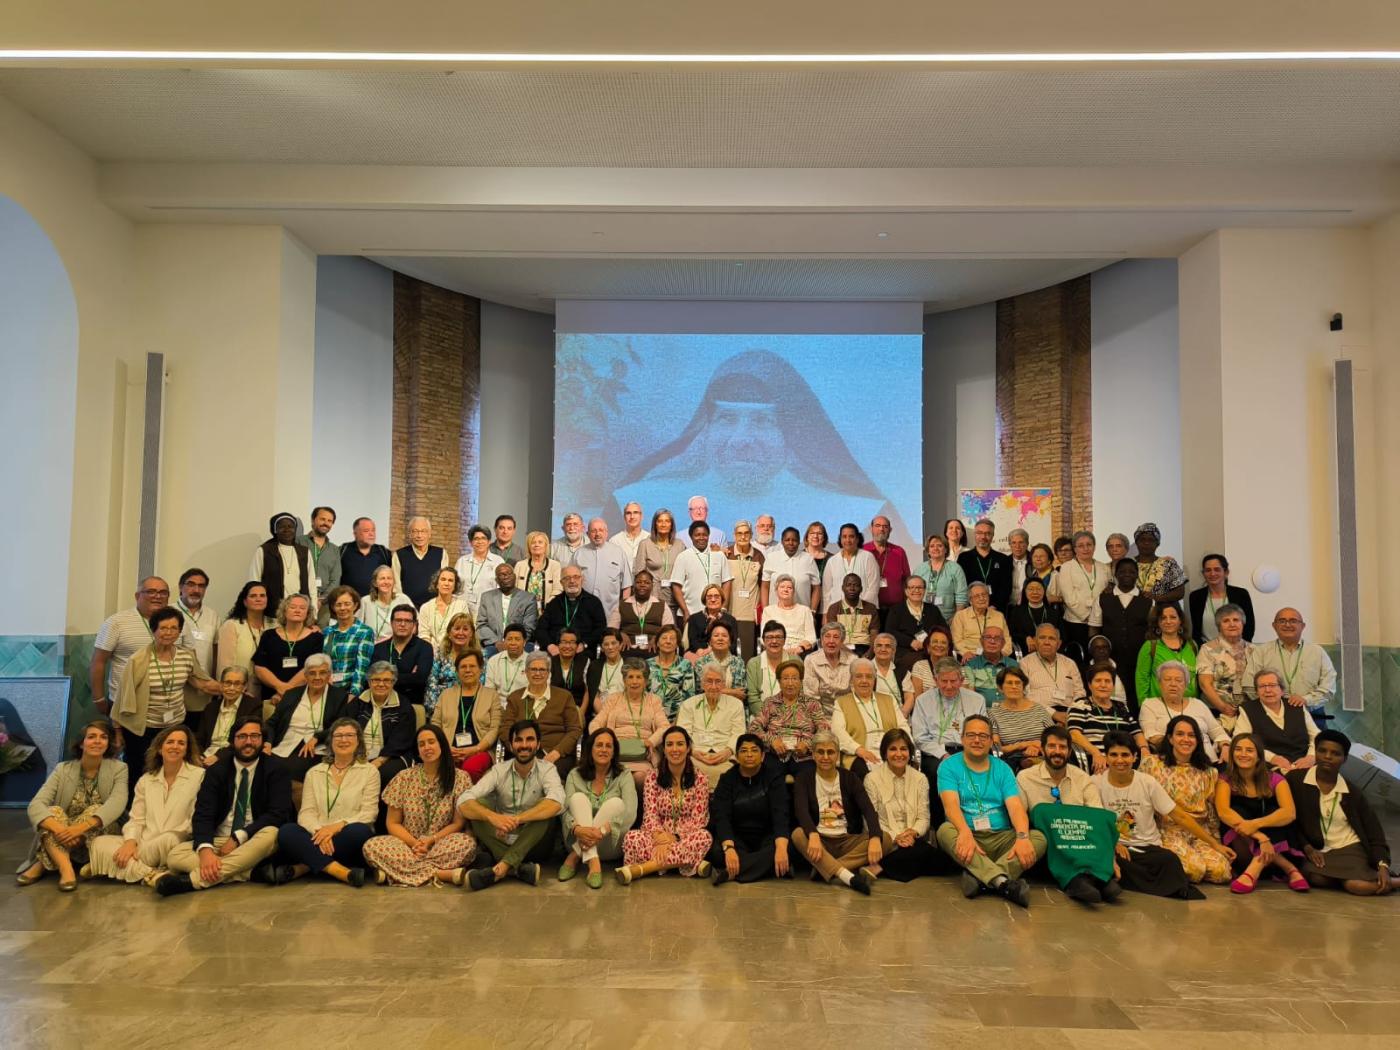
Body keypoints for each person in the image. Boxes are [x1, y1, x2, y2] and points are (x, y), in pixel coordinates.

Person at [156, 717, 295, 895]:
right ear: (232, 741)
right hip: (221, 838)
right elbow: (203, 813)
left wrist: (239, 837)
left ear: (262, 739)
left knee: (272, 833)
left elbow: (279, 813)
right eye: (242, 736)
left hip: (255, 837)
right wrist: (206, 851)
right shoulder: (217, 770)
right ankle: (249, 871)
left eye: (255, 736)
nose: (249, 742)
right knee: (175, 855)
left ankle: (192, 881)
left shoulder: (277, 768)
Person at [935, 715, 1046, 906]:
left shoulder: (1002, 769)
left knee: (1037, 838)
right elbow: (950, 806)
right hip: (969, 836)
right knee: (944, 831)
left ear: (990, 740)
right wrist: (964, 831)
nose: (977, 740)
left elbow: (1016, 807)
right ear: (962, 738)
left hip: (1002, 837)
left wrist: (1022, 837)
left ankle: (981, 877)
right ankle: (1003, 882)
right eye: (971, 735)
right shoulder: (949, 766)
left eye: (983, 736)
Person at [16, 721, 129, 892]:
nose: (98, 741)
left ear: (108, 743)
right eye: (91, 737)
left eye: (103, 737)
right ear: (81, 743)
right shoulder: (63, 769)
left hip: (100, 832)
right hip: (66, 833)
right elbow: (36, 804)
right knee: (53, 811)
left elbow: (117, 803)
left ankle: (43, 863)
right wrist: (62, 830)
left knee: (96, 808)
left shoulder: (119, 768)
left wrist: (80, 828)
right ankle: (66, 868)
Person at [112, 606, 220, 783]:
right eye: (163, 628)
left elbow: (200, 682)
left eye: (173, 628)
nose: (168, 633)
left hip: (174, 725)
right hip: (144, 728)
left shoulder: (185, 657)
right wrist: (117, 731)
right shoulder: (138, 660)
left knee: (171, 770)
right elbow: (121, 698)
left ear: (179, 631)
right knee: (141, 772)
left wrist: (229, 687)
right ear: (153, 630)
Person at [1093, 731, 1207, 899]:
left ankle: (1120, 879)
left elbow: (1178, 815)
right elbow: (1094, 822)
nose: (1119, 760)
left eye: (1125, 755)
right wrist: (1113, 844)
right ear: (1107, 757)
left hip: (1147, 847)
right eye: (1114, 755)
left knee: (1170, 860)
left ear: (1134, 757)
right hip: (1114, 847)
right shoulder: (1095, 783)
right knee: (1105, 859)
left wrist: (1214, 844)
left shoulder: (1147, 782)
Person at [85, 724, 203, 885]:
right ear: (160, 749)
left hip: (175, 842)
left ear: (187, 750)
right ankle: (151, 874)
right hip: (144, 842)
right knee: (99, 842)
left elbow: (195, 820)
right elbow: (136, 819)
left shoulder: (199, 776)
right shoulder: (146, 780)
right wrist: (130, 842)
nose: (175, 746)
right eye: (170, 742)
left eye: (181, 743)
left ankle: (109, 865)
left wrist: (140, 847)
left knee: (169, 839)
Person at [363, 725, 476, 887]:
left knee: (467, 844)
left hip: (441, 844)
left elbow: (458, 823)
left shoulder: (460, 778)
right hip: (407, 845)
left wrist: (431, 840)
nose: (427, 747)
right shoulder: (404, 777)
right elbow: (392, 823)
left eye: (431, 742)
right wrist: (415, 844)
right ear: (417, 749)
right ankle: (440, 874)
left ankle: (394, 874)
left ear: (442, 745)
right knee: (371, 846)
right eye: (421, 744)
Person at [1018, 725, 1119, 905]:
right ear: (1042, 749)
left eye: (1063, 747)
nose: (1057, 752)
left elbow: (1098, 818)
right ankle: (1075, 881)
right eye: (1052, 746)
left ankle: (1100, 877)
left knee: (1101, 819)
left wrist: (1112, 860)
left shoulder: (1082, 777)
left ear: (1069, 751)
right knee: (1043, 812)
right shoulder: (1025, 777)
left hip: (1081, 838)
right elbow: (1019, 814)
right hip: (1050, 840)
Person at [1287, 730, 1397, 896]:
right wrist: (1307, 847)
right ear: (1315, 752)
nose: (1327, 756)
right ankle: (1355, 879)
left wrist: (1382, 865)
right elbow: (1290, 821)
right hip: (1316, 850)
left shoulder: (1352, 792)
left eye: (1335, 753)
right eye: (1322, 751)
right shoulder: (1295, 780)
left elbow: (1374, 831)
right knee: (1316, 879)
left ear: (1344, 759)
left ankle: (1392, 881)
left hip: (1349, 848)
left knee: (1357, 886)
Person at [459, 720, 566, 889]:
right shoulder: (499, 770)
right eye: (519, 740)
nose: (524, 745)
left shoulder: (547, 770)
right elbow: (463, 802)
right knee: (477, 806)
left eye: (529, 739)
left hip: (534, 843)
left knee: (545, 808)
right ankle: (515, 868)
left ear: (538, 744)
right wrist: (494, 818)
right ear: (511, 745)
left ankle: (503, 865)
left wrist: (516, 820)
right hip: (500, 837)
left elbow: (557, 801)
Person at [272, 718, 378, 887]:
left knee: (360, 832)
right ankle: (341, 872)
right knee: (287, 831)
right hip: (317, 835)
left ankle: (304, 867)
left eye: (350, 735)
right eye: (338, 736)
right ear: (330, 741)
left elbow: (369, 814)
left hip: (347, 837)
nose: (344, 740)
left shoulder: (370, 771)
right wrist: (320, 832)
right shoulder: (314, 772)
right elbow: (306, 812)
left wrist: (335, 827)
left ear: (358, 741)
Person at [1140, 716, 1236, 883]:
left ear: (1198, 740)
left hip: (1200, 834)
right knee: (1195, 870)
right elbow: (1141, 802)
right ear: (1170, 738)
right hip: (1168, 831)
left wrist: (1215, 843)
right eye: (1180, 734)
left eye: (1191, 735)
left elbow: (1212, 814)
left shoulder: (1209, 772)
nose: (1186, 739)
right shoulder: (1151, 764)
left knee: (1221, 872)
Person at [618, 726, 714, 884]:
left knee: (704, 837)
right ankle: (688, 862)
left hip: (685, 837)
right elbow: (650, 814)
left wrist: (674, 838)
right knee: (632, 838)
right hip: (656, 836)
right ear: (663, 748)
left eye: (680, 744)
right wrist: (659, 837)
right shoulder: (652, 776)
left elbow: (699, 819)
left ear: (688, 748)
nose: (675, 749)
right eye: (670, 744)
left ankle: (644, 868)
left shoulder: (700, 778)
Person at [1215, 733, 1308, 893]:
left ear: (1259, 756)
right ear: (1232, 754)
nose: (1243, 754)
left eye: (1249, 750)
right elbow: (1224, 812)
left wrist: (1256, 824)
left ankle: (1253, 872)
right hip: (1242, 848)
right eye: (1238, 749)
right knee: (1238, 811)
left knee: (1275, 814)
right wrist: (1261, 838)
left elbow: (1289, 813)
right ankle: (1289, 868)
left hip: (1275, 843)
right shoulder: (1225, 780)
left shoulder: (1275, 779)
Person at [790, 731, 879, 894]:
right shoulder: (804, 778)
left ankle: (824, 869)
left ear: (837, 754)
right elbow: (801, 811)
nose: (825, 757)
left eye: (830, 752)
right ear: (813, 755)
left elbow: (868, 809)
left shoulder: (849, 777)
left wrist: (874, 836)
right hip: (819, 841)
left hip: (846, 841)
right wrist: (813, 834)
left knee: (884, 839)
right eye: (820, 752)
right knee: (797, 834)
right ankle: (848, 877)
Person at [909, 657, 986, 826]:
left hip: (969, 750)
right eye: (944, 681)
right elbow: (920, 737)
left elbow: (982, 731)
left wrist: (970, 750)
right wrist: (942, 754)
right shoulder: (923, 700)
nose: (949, 686)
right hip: (936, 752)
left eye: (953, 681)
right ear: (936, 680)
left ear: (962, 680)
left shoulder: (976, 700)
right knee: (939, 772)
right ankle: (939, 826)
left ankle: (976, 822)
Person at [560, 728, 639, 889]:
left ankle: (575, 855)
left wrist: (601, 831)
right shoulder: (575, 774)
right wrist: (577, 830)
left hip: (611, 844)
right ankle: (593, 862)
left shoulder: (623, 774)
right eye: (599, 745)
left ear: (614, 751)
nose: (604, 749)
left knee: (616, 803)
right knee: (577, 798)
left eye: (608, 746)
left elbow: (630, 812)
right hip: (577, 837)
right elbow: (564, 810)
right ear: (590, 749)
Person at [708, 733, 792, 885]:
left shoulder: (774, 777)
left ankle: (731, 872)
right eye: (744, 751)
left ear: (762, 756)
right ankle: (772, 868)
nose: (749, 755)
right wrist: (729, 849)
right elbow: (722, 816)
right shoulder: (727, 779)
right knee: (717, 852)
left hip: (766, 837)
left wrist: (780, 848)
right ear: (737, 756)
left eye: (754, 750)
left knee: (787, 848)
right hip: (737, 837)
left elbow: (781, 814)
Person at [861, 728, 941, 882]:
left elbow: (924, 817)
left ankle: (880, 867)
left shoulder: (920, 779)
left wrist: (912, 833)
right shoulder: (871, 779)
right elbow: (870, 819)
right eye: (893, 749)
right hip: (886, 840)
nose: (899, 754)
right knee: (928, 856)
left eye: (903, 749)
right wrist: (896, 837)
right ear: (885, 753)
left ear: (910, 752)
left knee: (941, 860)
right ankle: (901, 863)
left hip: (913, 840)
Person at [90, 576, 169, 718]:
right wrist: (98, 698)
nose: (157, 596)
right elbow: (99, 661)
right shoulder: (117, 622)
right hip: (126, 702)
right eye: (151, 591)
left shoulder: (177, 622)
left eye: (163, 592)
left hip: (165, 704)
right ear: (137, 596)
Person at [264, 653, 349, 781]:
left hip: (316, 749)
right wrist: (268, 743)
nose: (317, 677)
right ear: (305, 676)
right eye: (312, 673)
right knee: (264, 766)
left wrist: (317, 737)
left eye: (322, 673)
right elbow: (272, 722)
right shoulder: (291, 694)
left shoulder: (339, 696)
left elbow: (340, 725)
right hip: (284, 745)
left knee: (288, 770)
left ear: (329, 675)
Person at [1243, 608, 1338, 719]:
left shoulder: (1317, 652)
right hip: (1270, 716)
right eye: (1282, 621)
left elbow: (1328, 687)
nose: (1287, 625)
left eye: (1293, 621)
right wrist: (1271, 703)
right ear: (1274, 626)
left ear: (1303, 626)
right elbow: (1248, 686)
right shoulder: (1261, 652)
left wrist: (1306, 700)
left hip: (1312, 714)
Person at [590, 658, 669, 787]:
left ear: (646, 681)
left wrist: (651, 741)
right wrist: (606, 740)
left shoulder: (654, 701)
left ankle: (638, 807)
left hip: (643, 753)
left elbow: (665, 726)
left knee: (640, 777)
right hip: (615, 752)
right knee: (616, 777)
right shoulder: (613, 699)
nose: (634, 681)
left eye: (639, 677)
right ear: (624, 680)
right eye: (630, 677)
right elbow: (595, 724)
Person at [504, 652, 583, 779]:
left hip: (557, 755)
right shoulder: (515, 697)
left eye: (542, 669)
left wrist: (557, 752)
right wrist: (518, 749)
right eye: (533, 669)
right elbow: (505, 728)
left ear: (548, 673)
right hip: (521, 752)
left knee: (550, 774)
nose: (538, 673)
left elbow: (574, 730)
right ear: (526, 672)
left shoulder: (564, 696)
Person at [831, 658, 911, 777]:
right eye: (859, 676)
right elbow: (837, 732)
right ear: (852, 680)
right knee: (865, 773)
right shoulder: (842, 702)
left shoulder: (889, 700)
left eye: (869, 676)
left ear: (874, 680)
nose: (864, 681)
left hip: (891, 749)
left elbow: (902, 726)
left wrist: (903, 747)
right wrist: (859, 750)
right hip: (859, 752)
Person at [347, 661, 418, 792]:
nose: (381, 684)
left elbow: (402, 740)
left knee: (384, 774)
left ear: (393, 682)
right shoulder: (358, 703)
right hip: (357, 754)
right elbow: (345, 729)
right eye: (376, 680)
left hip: (391, 756)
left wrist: (379, 761)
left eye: (387, 680)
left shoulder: (403, 706)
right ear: (369, 682)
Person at [1139, 661, 1230, 764]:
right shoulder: (1150, 705)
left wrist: (1225, 747)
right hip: (1171, 764)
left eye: (1179, 680)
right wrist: (1185, 748)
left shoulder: (1198, 704)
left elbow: (1218, 733)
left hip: (1208, 763)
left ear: (1186, 685)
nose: (1173, 684)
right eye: (1167, 679)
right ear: (1159, 683)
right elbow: (1151, 735)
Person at [429, 651, 499, 782]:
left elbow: (494, 729)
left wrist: (476, 749)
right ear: (457, 671)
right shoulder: (446, 695)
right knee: (441, 767)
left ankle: (464, 802)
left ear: (480, 669)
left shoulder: (492, 695)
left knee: (470, 769)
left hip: (480, 750)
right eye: (463, 667)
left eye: (472, 666)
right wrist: (445, 747)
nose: (468, 670)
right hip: (448, 749)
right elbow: (435, 725)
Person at [1067, 664, 1149, 773]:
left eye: (1107, 681)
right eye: (1098, 681)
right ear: (1089, 685)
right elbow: (1074, 734)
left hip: (1126, 760)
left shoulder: (1121, 707)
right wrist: (1096, 753)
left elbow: (1137, 733)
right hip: (1097, 761)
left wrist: (1144, 748)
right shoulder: (1080, 705)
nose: (1103, 685)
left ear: (1113, 685)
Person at [1234, 669, 1320, 772]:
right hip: (1268, 766)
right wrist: (1272, 758)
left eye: (1272, 685)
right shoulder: (1248, 709)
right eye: (1262, 686)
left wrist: (1311, 756)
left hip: (1303, 762)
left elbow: (1316, 736)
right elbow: (1240, 741)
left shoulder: (1296, 706)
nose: (1268, 690)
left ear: (1282, 689)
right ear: (1257, 691)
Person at [677, 666, 748, 786]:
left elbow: (738, 733)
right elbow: (683, 734)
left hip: (725, 754)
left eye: (718, 681)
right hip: (696, 754)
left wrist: (728, 751)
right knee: (690, 771)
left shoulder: (736, 705)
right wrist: (693, 751)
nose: (714, 686)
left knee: (730, 773)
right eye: (709, 681)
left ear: (724, 684)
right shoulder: (689, 704)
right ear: (702, 684)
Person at [748, 658, 827, 766]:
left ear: (801, 681)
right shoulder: (770, 703)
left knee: (806, 777)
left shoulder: (812, 704)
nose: (790, 683)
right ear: (779, 682)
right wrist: (771, 741)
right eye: (785, 678)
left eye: (794, 678)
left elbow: (824, 730)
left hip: (804, 756)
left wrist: (808, 744)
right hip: (774, 754)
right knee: (770, 775)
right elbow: (754, 727)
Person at [1099, 557, 1154, 707]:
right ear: (1115, 575)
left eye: (1131, 571)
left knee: (1136, 693)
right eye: (1122, 571)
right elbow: (1095, 627)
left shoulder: (1147, 599)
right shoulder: (1104, 597)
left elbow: (1152, 628)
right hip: (1112, 656)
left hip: (1138, 656)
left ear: (1137, 575)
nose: (1127, 574)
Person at [252, 594, 324, 704]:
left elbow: (312, 667)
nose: (297, 610)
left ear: (307, 613)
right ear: (284, 611)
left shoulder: (316, 637)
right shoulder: (269, 635)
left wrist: (286, 690)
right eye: (293, 607)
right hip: (271, 697)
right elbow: (259, 667)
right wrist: (279, 687)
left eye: (302, 608)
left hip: (304, 698)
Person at [249, 512, 318, 619]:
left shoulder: (304, 552)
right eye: (281, 527)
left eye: (290, 526)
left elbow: (312, 585)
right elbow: (254, 582)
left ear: (295, 529)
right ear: (275, 530)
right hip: (272, 614)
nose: (287, 530)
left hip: (300, 613)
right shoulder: (264, 550)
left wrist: (313, 614)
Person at [1048, 530, 1110, 651]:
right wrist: (1089, 618)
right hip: (1076, 622)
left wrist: (1097, 619)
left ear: (1094, 546)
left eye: (1089, 544)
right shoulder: (1067, 567)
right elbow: (1069, 598)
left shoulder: (1104, 568)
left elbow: (1107, 594)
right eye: (1081, 546)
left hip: (1101, 621)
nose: (1085, 548)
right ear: (1075, 549)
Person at [1196, 603, 1254, 730]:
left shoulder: (1254, 650)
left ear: (1243, 623)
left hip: (1248, 711)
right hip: (1216, 710)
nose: (1232, 624)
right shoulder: (1208, 649)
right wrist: (1223, 707)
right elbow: (1205, 684)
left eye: (1236, 620)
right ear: (1219, 626)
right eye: (1226, 621)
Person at [173, 568, 220, 722]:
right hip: (176, 689)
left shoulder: (212, 615)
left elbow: (215, 649)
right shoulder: (169, 612)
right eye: (191, 585)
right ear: (181, 587)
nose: (196, 590)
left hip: (204, 689)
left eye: (201, 586)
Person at [883, 575, 948, 678]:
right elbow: (890, 632)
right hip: (905, 651)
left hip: (931, 649)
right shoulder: (896, 610)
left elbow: (944, 630)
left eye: (919, 587)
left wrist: (930, 642)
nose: (916, 590)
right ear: (906, 591)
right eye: (912, 587)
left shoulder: (933, 609)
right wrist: (910, 642)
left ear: (924, 590)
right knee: (917, 661)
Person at [989, 666, 1054, 771]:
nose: (1014, 686)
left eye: (1018, 683)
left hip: (1043, 753)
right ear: (1000, 688)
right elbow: (997, 748)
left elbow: (1054, 737)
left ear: (1023, 686)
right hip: (1013, 761)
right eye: (1009, 683)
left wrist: (1037, 747)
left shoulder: (1038, 709)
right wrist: (1024, 745)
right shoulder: (993, 714)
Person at [216, 581, 270, 702]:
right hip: (240, 691)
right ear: (245, 601)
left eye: (262, 596)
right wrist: (231, 690)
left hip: (269, 690)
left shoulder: (275, 624)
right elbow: (224, 666)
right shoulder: (232, 625)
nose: (258, 599)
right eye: (253, 596)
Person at [1018, 623, 1085, 720]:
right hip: (1038, 714)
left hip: (1069, 714)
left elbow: (1080, 693)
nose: (1047, 642)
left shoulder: (1069, 663)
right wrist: (1053, 714)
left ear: (1059, 644)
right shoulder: (1025, 663)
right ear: (1035, 641)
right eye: (1042, 638)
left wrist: (1071, 715)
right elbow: (1025, 695)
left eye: (1052, 639)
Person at [196, 667, 262, 765]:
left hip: (234, 755)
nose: (231, 688)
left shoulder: (252, 706)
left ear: (244, 687)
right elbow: (200, 738)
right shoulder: (211, 707)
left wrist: (218, 756)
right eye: (227, 683)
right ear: (221, 685)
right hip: (207, 755)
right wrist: (197, 755)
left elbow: (245, 741)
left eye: (237, 684)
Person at [371, 604, 433, 708]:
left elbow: (420, 679)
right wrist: (409, 677)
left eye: (407, 621)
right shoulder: (378, 649)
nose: (402, 624)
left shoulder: (425, 647)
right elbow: (374, 678)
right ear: (391, 623)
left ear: (414, 625)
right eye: (398, 620)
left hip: (412, 704)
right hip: (382, 704)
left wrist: (387, 678)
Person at [536, 564, 607, 656]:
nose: (572, 581)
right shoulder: (554, 603)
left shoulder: (594, 602)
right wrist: (550, 645)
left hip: (582, 651)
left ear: (582, 580)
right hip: (557, 651)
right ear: (561, 583)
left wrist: (584, 644)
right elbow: (540, 629)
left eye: (576, 577)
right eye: (567, 578)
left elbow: (600, 629)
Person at [1189, 553, 1256, 645]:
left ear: (1226, 572)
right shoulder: (1195, 597)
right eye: (1208, 570)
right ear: (1203, 574)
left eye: (1217, 569)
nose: (1212, 573)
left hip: (1236, 650)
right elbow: (1196, 630)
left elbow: (1249, 627)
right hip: (1206, 651)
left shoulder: (1241, 594)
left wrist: (1238, 648)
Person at [322, 584, 376, 699]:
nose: (343, 608)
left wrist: (353, 694)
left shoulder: (364, 632)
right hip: (326, 690)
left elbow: (362, 667)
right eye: (338, 604)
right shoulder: (327, 632)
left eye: (347, 604)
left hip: (350, 692)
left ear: (355, 605)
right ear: (332, 607)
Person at [671, 520, 731, 623]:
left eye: (704, 535)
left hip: (716, 614)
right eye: (697, 535)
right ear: (691, 537)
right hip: (691, 613)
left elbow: (727, 582)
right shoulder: (683, 557)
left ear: (709, 536)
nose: (701, 538)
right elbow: (676, 586)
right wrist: (685, 611)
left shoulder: (719, 555)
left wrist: (723, 609)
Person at [1136, 603, 1198, 701]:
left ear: (1180, 620)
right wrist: (1144, 705)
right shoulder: (1150, 646)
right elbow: (1142, 678)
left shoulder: (1192, 645)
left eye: (1173, 617)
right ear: (1158, 622)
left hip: (1189, 706)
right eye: (1163, 618)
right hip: (1159, 707)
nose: (1168, 621)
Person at [575, 517, 634, 620]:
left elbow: (627, 586)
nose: (597, 534)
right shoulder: (579, 554)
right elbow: (570, 581)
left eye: (601, 530)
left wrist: (622, 611)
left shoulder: (619, 553)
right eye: (594, 531)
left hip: (611, 614)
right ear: (588, 534)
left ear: (607, 533)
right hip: (583, 613)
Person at [425, 613, 484, 712]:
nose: (460, 633)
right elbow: (432, 683)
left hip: (471, 708)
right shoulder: (440, 654)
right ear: (449, 633)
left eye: (465, 629)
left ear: (472, 634)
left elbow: (482, 684)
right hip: (442, 706)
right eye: (457, 628)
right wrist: (437, 709)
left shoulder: (481, 656)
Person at [633, 508, 688, 615]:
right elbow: (638, 574)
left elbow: (686, 571)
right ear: (655, 524)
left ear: (672, 525)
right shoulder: (645, 544)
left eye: (667, 521)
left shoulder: (680, 545)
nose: (663, 524)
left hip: (674, 598)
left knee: (672, 631)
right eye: (660, 521)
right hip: (651, 598)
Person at [476, 562, 539, 655]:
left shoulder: (528, 598)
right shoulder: (487, 597)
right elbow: (481, 624)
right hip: (494, 644)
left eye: (509, 574)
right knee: (485, 655)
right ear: (497, 580)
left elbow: (529, 627)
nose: (506, 577)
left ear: (514, 576)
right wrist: (497, 642)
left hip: (521, 643)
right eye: (502, 575)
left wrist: (512, 642)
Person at [611, 568, 673, 658]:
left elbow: (669, 630)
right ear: (633, 585)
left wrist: (658, 638)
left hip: (653, 648)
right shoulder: (622, 604)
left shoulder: (661, 605)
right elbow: (611, 629)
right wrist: (621, 634)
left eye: (647, 582)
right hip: (627, 647)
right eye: (639, 582)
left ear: (652, 585)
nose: (642, 585)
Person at [725, 520, 764, 658]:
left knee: (747, 656)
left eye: (746, 533)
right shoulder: (726, 554)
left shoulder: (759, 556)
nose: (743, 537)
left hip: (749, 616)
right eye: (739, 533)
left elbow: (763, 585)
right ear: (734, 535)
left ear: (751, 535)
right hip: (729, 614)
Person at [957, 518, 1014, 612]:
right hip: (971, 610)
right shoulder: (964, 558)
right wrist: (973, 605)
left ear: (993, 536)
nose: (983, 536)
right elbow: (962, 586)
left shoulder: (1003, 559)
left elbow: (1006, 588)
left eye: (988, 533)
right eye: (979, 533)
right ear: (974, 535)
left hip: (996, 610)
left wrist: (994, 606)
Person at [392, 516, 449, 607]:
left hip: (434, 608)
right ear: (410, 534)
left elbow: (444, 584)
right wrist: (404, 607)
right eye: (415, 531)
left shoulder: (441, 554)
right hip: (408, 609)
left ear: (429, 534)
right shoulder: (399, 555)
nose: (419, 535)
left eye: (423, 531)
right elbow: (396, 588)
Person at [761, 526, 822, 612]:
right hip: (775, 614)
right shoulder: (772, 558)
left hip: (801, 614)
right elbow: (765, 586)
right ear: (782, 541)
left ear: (799, 542)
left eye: (794, 540)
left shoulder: (808, 559)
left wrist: (812, 611)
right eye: (787, 540)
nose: (791, 543)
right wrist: (765, 611)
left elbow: (817, 588)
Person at [821, 523, 881, 609]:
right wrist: (825, 613)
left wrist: (861, 608)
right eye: (844, 537)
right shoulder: (832, 561)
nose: (848, 540)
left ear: (857, 539)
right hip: (837, 611)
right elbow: (826, 592)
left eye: (851, 536)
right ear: (840, 539)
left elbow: (873, 588)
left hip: (865, 611)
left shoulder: (868, 557)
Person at [864, 514, 911, 624]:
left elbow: (906, 580)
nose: (881, 529)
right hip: (868, 609)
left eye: (885, 526)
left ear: (890, 530)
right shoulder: (862, 551)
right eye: (878, 525)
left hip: (895, 610)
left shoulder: (899, 552)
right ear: (871, 528)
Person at [899, 624, 956, 714]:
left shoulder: (958, 669)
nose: (939, 645)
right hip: (927, 714)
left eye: (943, 642)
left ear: (948, 648)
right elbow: (919, 701)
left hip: (953, 713)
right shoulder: (919, 666)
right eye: (935, 641)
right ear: (928, 647)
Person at [914, 533, 969, 623]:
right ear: (928, 550)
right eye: (932, 546)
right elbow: (913, 593)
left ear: (946, 549)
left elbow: (961, 597)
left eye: (939, 546)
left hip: (948, 619)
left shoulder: (955, 568)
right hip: (922, 618)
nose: (935, 548)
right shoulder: (920, 569)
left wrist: (955, 619)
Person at [803, 623, 854, 716]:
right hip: (821, 715)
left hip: (848, 713)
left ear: (842, 641)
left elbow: (856, 695)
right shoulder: (811, 660)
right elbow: (811, 697)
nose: (831, 641)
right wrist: (820, 720)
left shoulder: (853, 660)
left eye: (836, 637)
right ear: (821, 640)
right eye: (827, 636)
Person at [950, 583, 1012, 659]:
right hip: (971, 656)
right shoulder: (960, 616)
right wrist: (965, 652)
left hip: (996, 656)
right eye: (977, 596)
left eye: (984, 595)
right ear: (970, 600)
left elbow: (1007, 640)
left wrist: (1001, 654)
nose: (981, 598)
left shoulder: (999, 616)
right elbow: (957, 641)